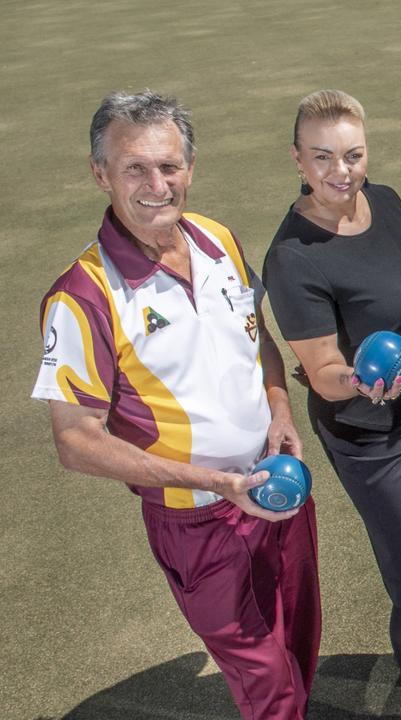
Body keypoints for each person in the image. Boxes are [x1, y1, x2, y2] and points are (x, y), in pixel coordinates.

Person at [32, 91, 320, 719]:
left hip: (281, 488)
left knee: (299, 648)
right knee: (265, 676)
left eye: (169, 166)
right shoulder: (81, 295)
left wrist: (281, 410)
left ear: (190, 168)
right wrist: (217, 482)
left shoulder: (218, 237)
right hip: (198, 522)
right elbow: (76, 441)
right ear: (99, 173)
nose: (156, 184)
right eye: (134, 167)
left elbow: (258, 339)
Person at [260, 90, 401, 720]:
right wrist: (362, 382)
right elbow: (323, 372)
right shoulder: (293, 258)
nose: (341, 171)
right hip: (370, 431)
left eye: (352, 154)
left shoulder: (382, 199)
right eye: (323, 157)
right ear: (297, 158)